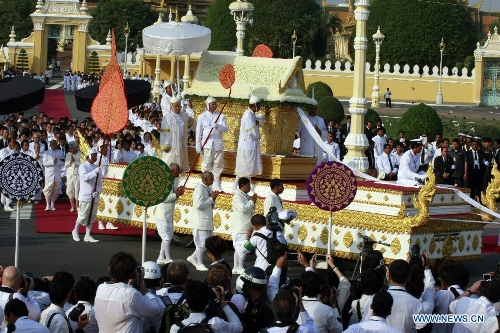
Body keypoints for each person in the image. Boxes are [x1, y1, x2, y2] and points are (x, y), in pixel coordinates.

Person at [94, 252, 165, 333]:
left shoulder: (101, 288)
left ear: (110, 269)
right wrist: (142, 286)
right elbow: (156, 310)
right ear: (132, 273)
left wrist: (129, 285)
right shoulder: (130, 294)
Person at [170, 280, 243, 333]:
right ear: (208, 302)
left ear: (186, 303)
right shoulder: (215, 323)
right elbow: (238, 327)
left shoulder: (176, 328)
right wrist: (223, 302)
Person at [234, 95, 271, 191]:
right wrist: (259, 134)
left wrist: (263, 115)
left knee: (245, 166)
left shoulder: (251, 114)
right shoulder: (247, 116)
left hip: (249, 145)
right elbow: (252, 132)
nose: (260, 107)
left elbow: (256, 117)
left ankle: (237, 187)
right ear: (255, 105)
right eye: (258, 105)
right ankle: (245, 187)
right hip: (247, 146)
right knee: (247, 166)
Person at [187, 171, 219, 271]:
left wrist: (213, 198)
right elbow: (199, 205)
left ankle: (192, 258)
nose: (213, 180)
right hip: (201, 222)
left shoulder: (206, 188)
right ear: (205, 179)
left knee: (205, 244)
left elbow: (209, 204)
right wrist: (211, 198)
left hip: (206, 221)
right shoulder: (199, 189)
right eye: (211, 178)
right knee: (201, 245)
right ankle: (199, 264)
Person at [154, 163, 185, 265]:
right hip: (162, 214)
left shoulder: (172, 181)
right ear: (172, 171)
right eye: (177, 171)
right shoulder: (164, 182)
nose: (179, 174)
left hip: (168, 214)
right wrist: (175, 194)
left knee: (168, 236)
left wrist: (177, 193)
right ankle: (168, 258)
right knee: (166, 237)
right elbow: (163, 198)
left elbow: (171, 196)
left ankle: (161, 257)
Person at [196, 96, 229, 191]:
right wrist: (198, 145)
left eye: (215, 104)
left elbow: (226, 129)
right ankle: (205, 182)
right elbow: (198, 132)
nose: (215, 106)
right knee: (206, 164)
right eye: (213, 104)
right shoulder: (202, 116)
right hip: (206, 144)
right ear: (208, 105)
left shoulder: (221, 116)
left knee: (218, 164)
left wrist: (218, 126)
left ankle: (216, 183)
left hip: (217, 143)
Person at [71, 147, 102, 243]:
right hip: (85, 195)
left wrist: (98, 191)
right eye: (93, 156)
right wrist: (94, 172)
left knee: (91, 216)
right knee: (82, 216)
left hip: (94, 195)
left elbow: (100, 182)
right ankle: (75, 231)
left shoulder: (97, 167)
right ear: (88, 156)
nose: (95, 158)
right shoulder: (83, 166)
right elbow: (84, 177)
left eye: (96, 156)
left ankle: (87, 235)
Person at [159, 96, 194, 172]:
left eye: (179, 106)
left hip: (182, 145)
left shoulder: (184, 115)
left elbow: (193, 124)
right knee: (171, 166)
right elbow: (164, 135)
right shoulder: (167, 118)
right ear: (171, 106)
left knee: (180, 166)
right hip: (171, 147)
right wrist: (166, 148)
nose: (177, 108)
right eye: (175, 106)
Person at [231, 177, 257, 275]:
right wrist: (251, 201)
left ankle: (236, 267)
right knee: (242, 248)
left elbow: (249, 208)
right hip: (240, 226)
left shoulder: (245, 195)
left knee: (239, 249)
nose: (250, 187)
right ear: (243, 185)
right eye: (248, 185)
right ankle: (239, 267)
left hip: (244, 226)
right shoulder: (237, 196)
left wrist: (253, 201)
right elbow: (243, 208)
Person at [238, 266, 275, 333]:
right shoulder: (251, 302)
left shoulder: (266, 309)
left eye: (245, 283)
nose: (243, 285)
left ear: (250, 286)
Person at [297, 99, 327, 165]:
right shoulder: (303, 119)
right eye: (312, 108)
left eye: (315, 109)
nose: (313, 110)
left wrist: (320, 132)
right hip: (306, 148)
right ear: (309, 109)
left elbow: (325, 136)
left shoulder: (320, 120)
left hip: (317, 150)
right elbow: (297, 131)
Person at [42, 139, 64, 211]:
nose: (54, 145)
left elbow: (63, 163)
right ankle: (47, 204)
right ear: (50, 145)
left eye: (55, 144)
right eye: (52, 144)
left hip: (57, 174)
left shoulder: (60, 152)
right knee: (48, 189)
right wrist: (52, 161)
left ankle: (52, 203)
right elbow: (44, 163)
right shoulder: (46, 153)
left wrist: (57, 161)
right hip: (49, 174)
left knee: (56, 189)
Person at [64, 141, 81, 212]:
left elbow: (82, 164)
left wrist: (75, 162)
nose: (70, 149)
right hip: (70, 174)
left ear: (75, 148)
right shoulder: (68, 154)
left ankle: (77, 206)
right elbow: (66, 165)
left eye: (71, 148)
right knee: (70, 190)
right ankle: (72, 206)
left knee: (77, 190)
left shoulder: (81, 154)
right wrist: (70, 161)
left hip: (77, 174)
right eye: (69, 148)